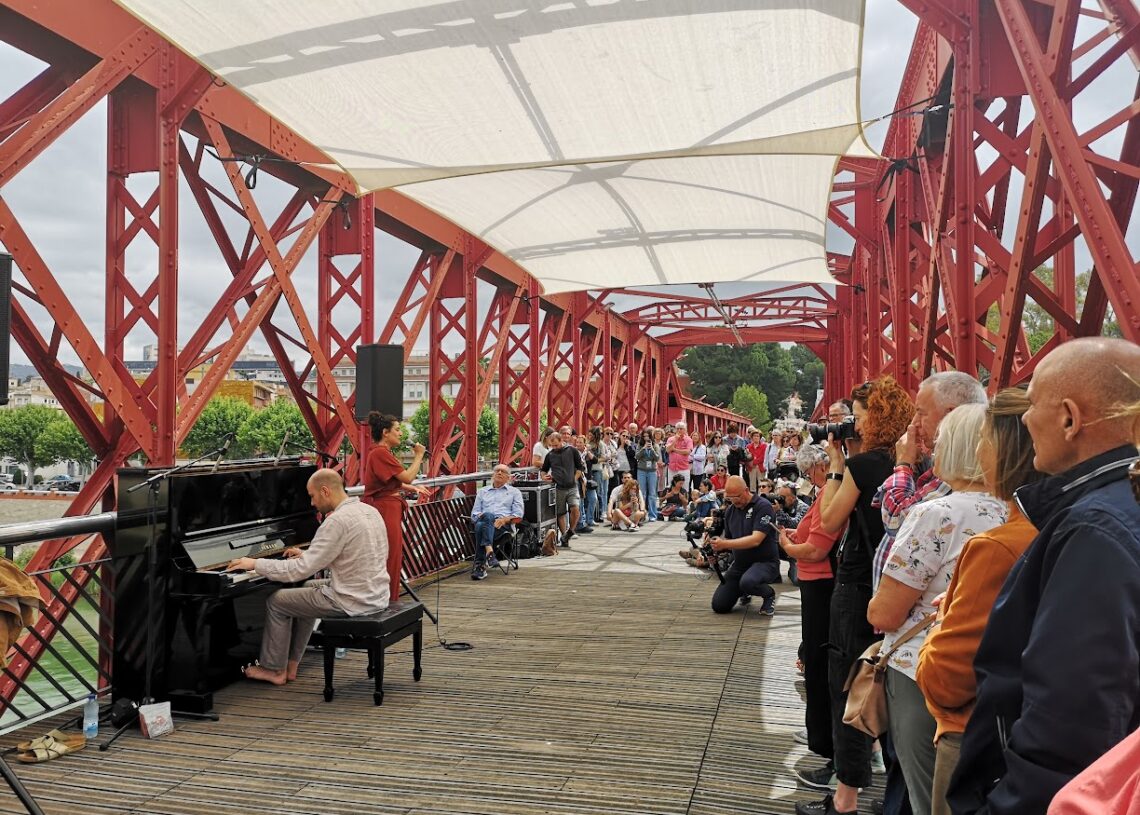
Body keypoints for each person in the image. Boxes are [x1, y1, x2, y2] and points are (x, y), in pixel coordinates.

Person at [948, 338, 1140, 815]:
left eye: (1033, 404)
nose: (1026, 419)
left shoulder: (1093, 530)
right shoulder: (1120, 507)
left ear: (1070, 419)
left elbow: (1070, 723)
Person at [867, 404, 1006, 815]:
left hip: (923, 670)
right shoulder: (1013, 511)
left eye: (941, 442)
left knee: (928, 795)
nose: (934, 451)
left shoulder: (935, 513)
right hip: (987, 671)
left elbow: (885, 614)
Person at [914, 388, 1044, 815]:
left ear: (1005, 449)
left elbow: (945, 679)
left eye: (985, 440)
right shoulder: (1054, 528)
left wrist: (936, 630)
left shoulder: (998, 546)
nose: (979, 451)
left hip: (974, 737)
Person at [796, 376, 914, 815]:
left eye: (858, 417)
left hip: (857, 583)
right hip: (896, 585)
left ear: (875, 419)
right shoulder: (905, 464)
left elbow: (828, 518)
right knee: (889, 683)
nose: (851, 424)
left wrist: (835, 462)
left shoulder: (863, 468)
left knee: (848, 684)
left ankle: (843, 800)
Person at [229, 469, 389, 685]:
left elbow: (298, 570)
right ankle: (292, 664)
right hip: (375, 593)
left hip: (352, 600)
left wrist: (255, 563)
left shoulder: (336, 521)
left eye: (312, 496)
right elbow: (349, 553)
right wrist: (309, 554)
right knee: (308, 585)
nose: (312, 503)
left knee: (277, 602)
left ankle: (274, 669)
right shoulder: (369, 511)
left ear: (325, 491)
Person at [875, 372, 988, 587]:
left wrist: (903, 465)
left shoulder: (958, 473)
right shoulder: (978, 465)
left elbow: (897, 520)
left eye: (921, 414)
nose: (913, 424)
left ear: (950, 416)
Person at [777, 444, 843, 767]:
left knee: (818, 663)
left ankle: (827, 742)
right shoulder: (827, 492)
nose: (807, 478)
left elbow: (816, 550)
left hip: (820, 583)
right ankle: (821, 732)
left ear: (820, 467)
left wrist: (790, 547)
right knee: (816, 661)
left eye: (807, 472)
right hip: (815, 581)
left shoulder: (831, 491)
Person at [363, 412, 429, 601]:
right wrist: (419, 456)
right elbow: (406, 476)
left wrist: (413, 488)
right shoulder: (380, 453)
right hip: (385, 508)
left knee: (391, 554)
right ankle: (389, 600)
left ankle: (388, 598)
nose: (401, 434)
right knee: (391, 555)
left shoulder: (379, 453)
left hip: (387, 505)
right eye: (398, 430)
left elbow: (392, 481)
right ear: (385, 432)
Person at [708, 475, 779, 615]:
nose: (735, 501)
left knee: (748, 581)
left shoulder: (763, 506)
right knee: (719, 605)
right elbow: (728, 541)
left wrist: (725, 543)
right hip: (740, 564)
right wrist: (715, 551)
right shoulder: (730, 512)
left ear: (746, 490)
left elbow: (756, 540)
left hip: (765, 562)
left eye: (737, 497)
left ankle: (768, 594)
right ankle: (744, 590)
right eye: (730, 498)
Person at [469, 464, 524, 581]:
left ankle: (480, 566)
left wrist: (504, 520)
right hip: (486, 522)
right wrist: (485, 517)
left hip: (503, 527)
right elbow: (474, 514)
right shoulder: (482, 492)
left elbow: (518, 515)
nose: (499, 473)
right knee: (487, 517)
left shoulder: (515, 492)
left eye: (503, 471)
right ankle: (489, 553)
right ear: (492, 475)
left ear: (508, 477)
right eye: (497, 471)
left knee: (480, 527)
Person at [540, 431, 585, 547]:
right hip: (558, 487)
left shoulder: (572, 451)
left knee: (575, 508)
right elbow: (544, 469)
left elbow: (580, 467)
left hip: (572, 486)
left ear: (561, 441)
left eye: (555, 445)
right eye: (552, 446)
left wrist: (574, 478)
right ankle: (564, 536)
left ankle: (570, 531)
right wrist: (543, 476)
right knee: (560, 513)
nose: (554, 448)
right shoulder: (550, 455)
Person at [636, 428, 661, 522]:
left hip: (652, 471)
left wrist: (652, 450)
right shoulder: (640, 445)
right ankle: (642, 514)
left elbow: (657, 458)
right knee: (642, 493)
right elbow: (637, 456)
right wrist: (643, 449)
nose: (646, 438)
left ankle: (652, 514)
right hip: (641, 470)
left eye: (648, 436)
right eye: (644, 436)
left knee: (652, 494)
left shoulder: (655, 445)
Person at [666, 422, 695, 492]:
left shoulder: (688, 440)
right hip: (672, 468)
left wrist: (674, 450)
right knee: (671, 487)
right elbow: (668, 450)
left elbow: (687, 452)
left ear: (685, 430)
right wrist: (675, 440)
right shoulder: (670, 439)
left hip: (683, 468)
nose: (679, 430)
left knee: (684, 489)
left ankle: (684, 502)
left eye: (681, 429)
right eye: (677, 429)